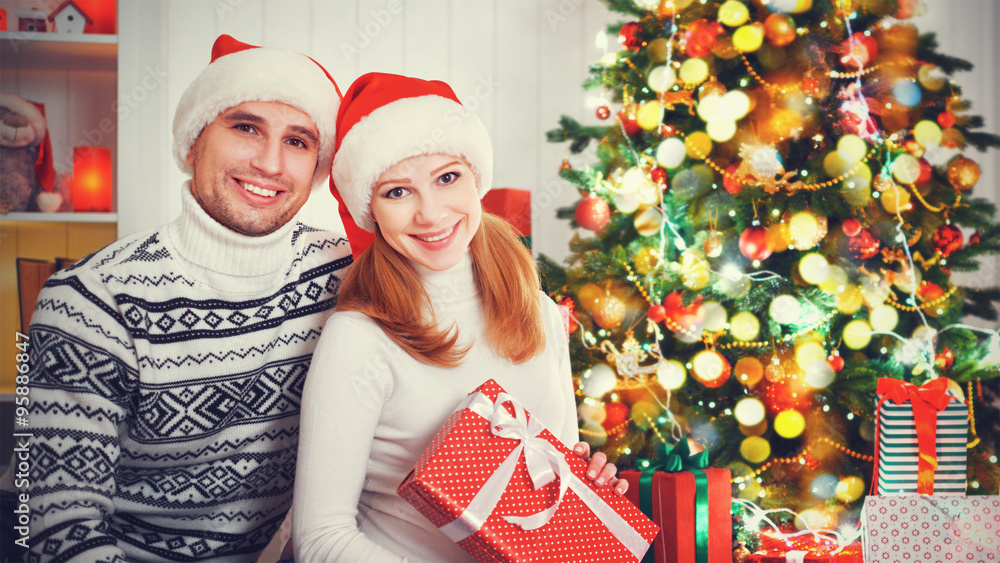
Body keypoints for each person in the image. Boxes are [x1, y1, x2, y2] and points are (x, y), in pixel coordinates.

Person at [16, 35, 351, 562]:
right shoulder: (89, 303)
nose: (269, 163)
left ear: (318, 167)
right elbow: (62, 531)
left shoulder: (347, 274)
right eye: (246, 127)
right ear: (194, 141)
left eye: (298, 141)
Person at [293, 72, 625, 562]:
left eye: (447, 178)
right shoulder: (360, 339)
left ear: (476, 179)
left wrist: (582, 485)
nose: (430, 214)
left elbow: (548, 491)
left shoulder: (539, 312)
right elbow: (320, 540)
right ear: (371, 211)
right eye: (397, 192)